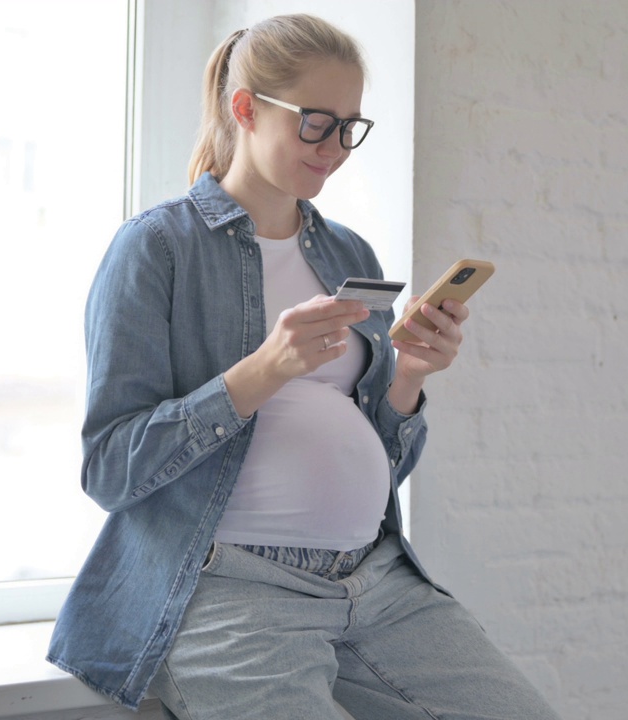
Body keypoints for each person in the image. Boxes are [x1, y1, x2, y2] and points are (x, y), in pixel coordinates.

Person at [47, 14, 561, 720]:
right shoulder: (156, 249)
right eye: (317, 123)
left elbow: (382, 460)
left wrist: (407, 380)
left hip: (377, 582)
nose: (336, 148)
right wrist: (263, 371)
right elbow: (109, 468)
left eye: (351, 126)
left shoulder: (349, 256)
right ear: (246, 108)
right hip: (235, 589)